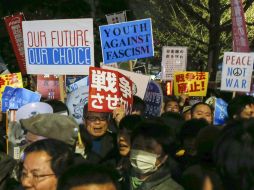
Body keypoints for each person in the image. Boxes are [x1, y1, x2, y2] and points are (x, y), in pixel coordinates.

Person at [128, 118, 184, 190]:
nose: (140, 153)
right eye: (137, 146)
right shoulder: (118, 178)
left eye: (149, 148)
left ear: (164, 157)